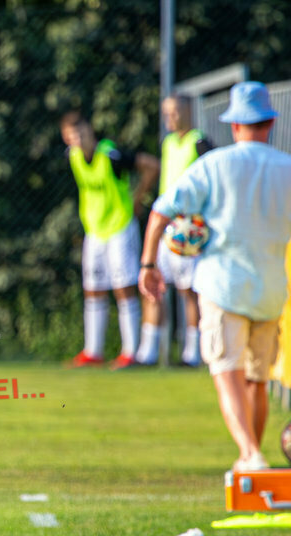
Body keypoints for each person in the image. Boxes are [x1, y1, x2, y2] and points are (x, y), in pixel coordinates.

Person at [139, 81, 291, 472]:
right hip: (272, 288)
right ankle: (251, 461)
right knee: (257, 381)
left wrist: (148, 265)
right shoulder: (287, 168)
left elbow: (161, 210)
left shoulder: (215, 163)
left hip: (223, 285)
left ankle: (249, 453)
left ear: (235, 125)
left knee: (227, 372)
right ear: (270, 123)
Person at [60, 111, 160, 370]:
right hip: (94, 231)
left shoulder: (111, 155)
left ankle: (130, 352)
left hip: (119, 227)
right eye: (72, 137)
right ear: (66, 139)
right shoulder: (72, 157)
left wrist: (138, 198)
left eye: (81, 133)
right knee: (92, 289)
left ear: (90, 131)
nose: (79, 140)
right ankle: (93, 350)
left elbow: (151, 165)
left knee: (123, 287)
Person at [134, 95, 212, 367]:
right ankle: (147, 353)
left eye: (176, 112)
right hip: (165, 227)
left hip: (188, 229)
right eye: (167, 113)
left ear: (189, 111)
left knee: (188, 292)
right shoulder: (168, 143)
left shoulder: (200, 142)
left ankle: (193, 354)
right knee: (153, 286)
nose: (171, 118)